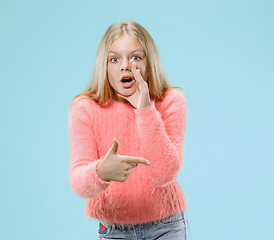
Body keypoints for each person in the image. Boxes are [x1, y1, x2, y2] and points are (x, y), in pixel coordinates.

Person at [68, 21, 189, 240]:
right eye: (115, 59)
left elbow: (164, 174)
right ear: (104, 66)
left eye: (135, 57)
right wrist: (101, 171)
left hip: (167, 228)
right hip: (113, 232)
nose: (126, 66)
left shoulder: (171, 101)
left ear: (148, 62)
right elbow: (78, 182)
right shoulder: (85, 108)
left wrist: (145, 110)